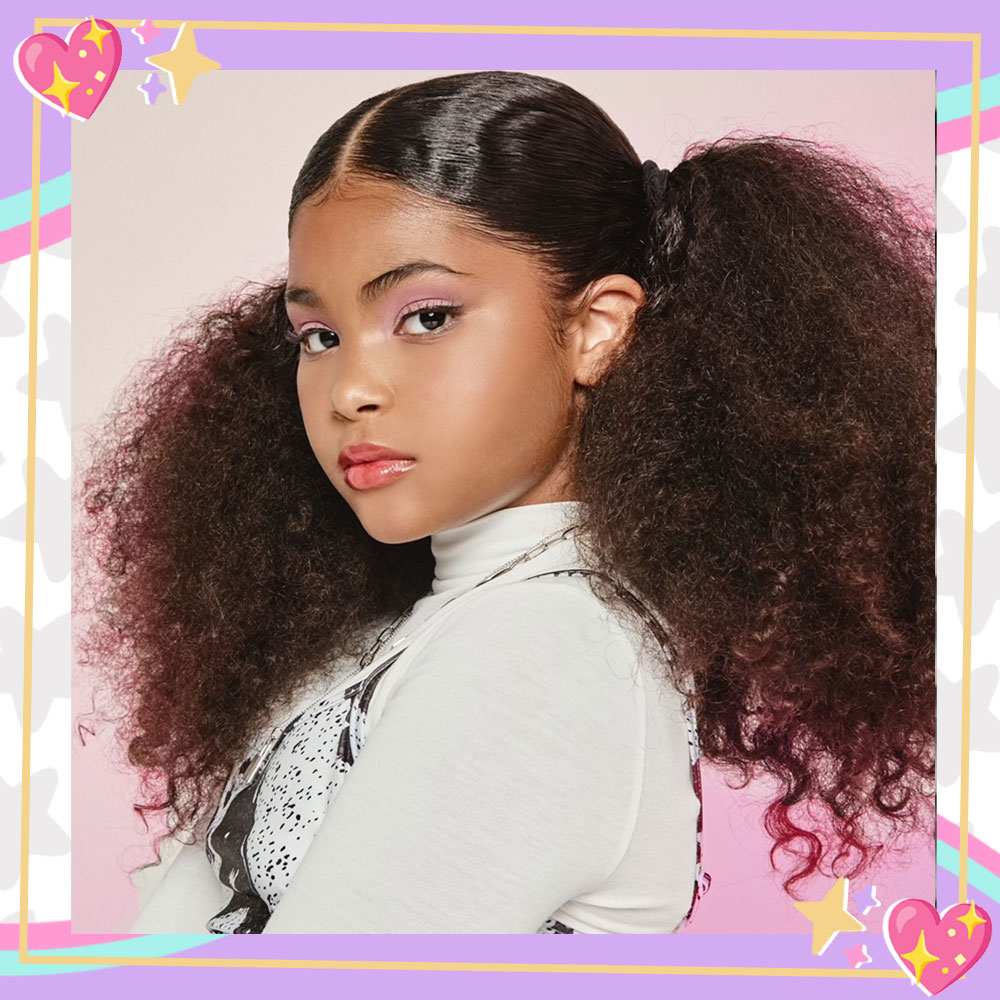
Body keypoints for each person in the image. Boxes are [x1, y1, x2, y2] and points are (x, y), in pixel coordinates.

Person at [76, 70, 935, 935]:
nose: (350, 389)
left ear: (596, 328)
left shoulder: (547, 648)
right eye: (320, 336)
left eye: (427, 317)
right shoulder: (414, 627)